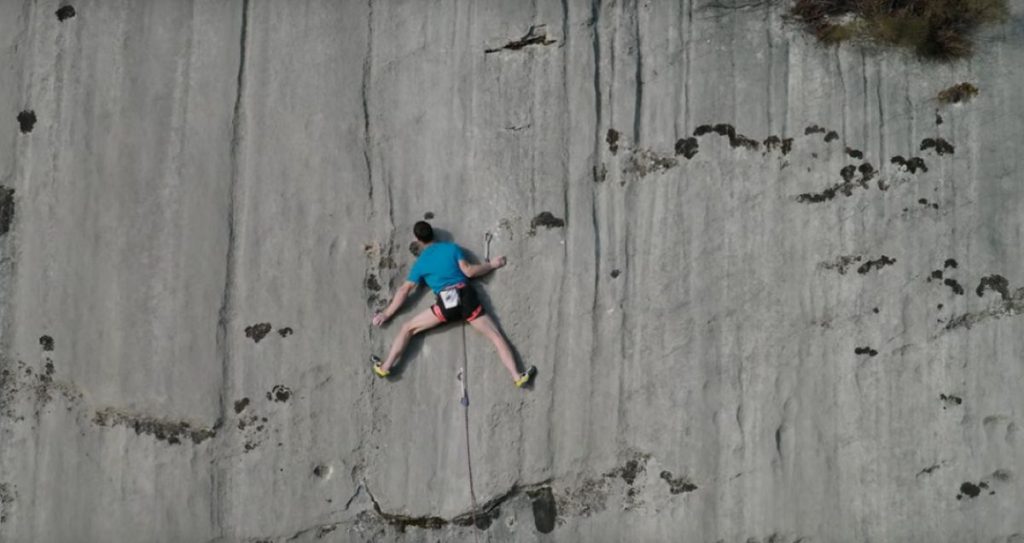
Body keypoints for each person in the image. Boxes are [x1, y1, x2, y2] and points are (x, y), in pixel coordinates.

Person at [371, 221, 535, 387]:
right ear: (433, 233)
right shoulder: (451, 248)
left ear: (418, 240)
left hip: (446, 303)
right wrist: (492, 264)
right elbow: (469, 271)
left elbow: (404, 290)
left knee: (408, 328)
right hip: (466, 297)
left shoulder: (420, 263)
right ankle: (517, 376)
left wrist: (386, 314)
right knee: (495, 336)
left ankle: (385, 367)